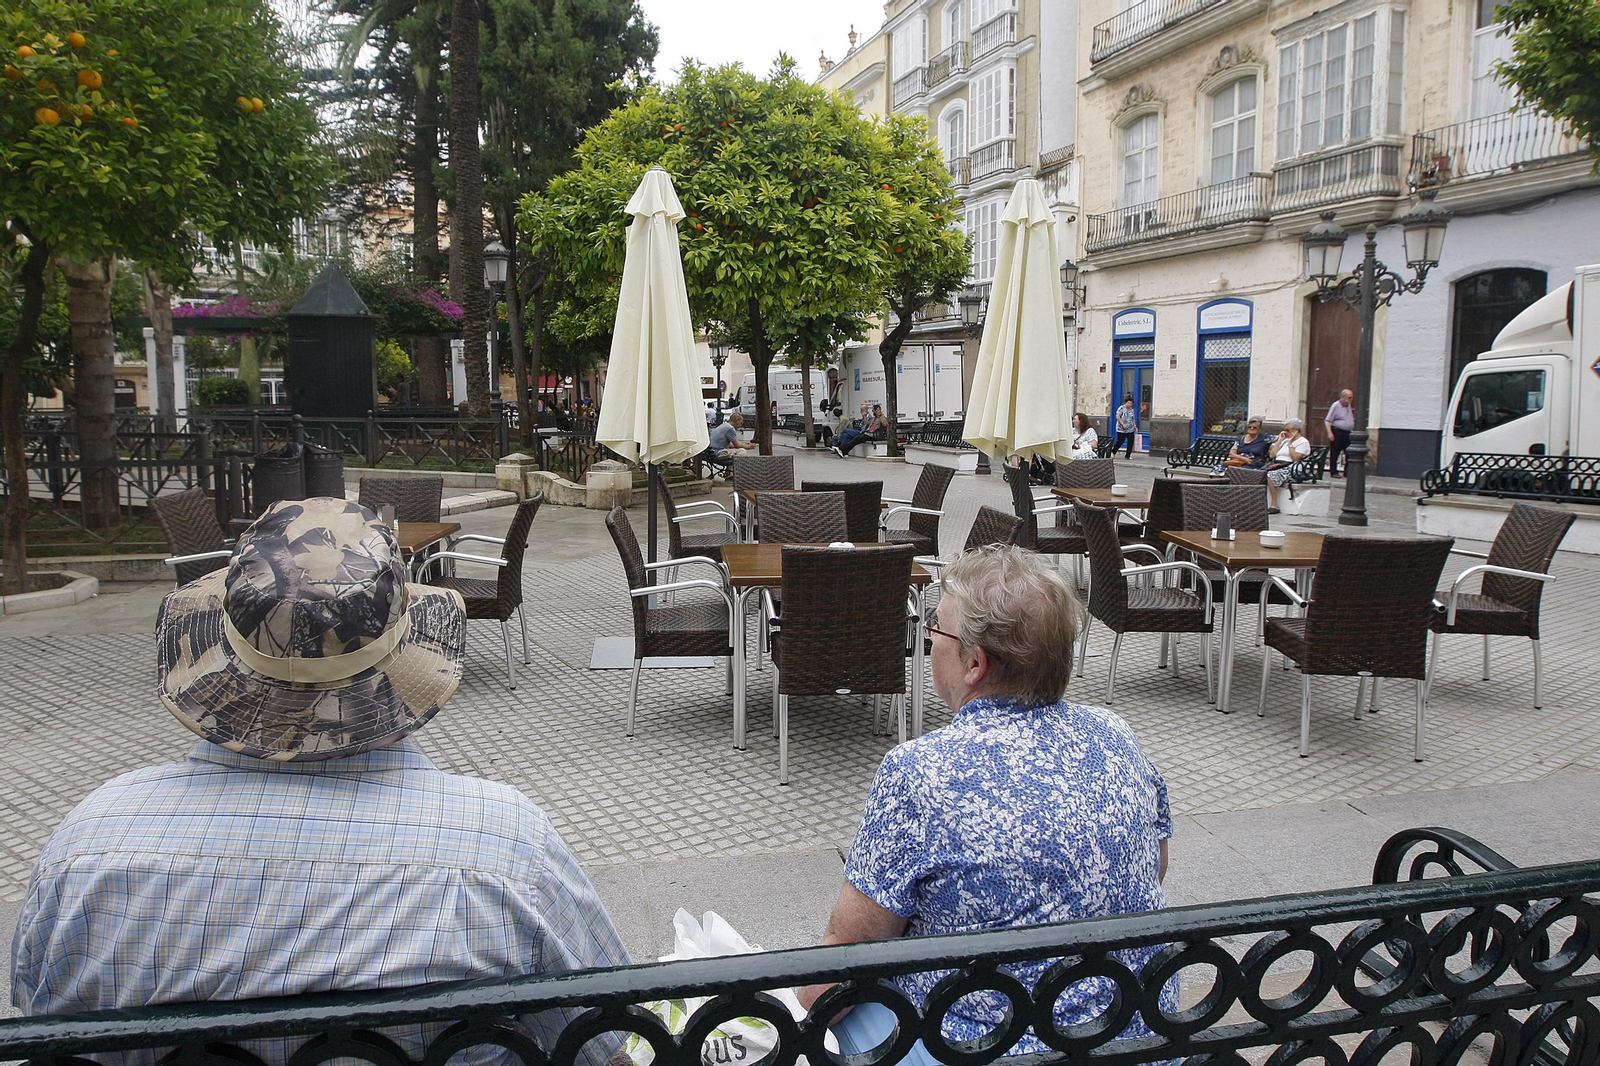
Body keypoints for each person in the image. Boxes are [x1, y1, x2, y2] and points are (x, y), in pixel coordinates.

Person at [10, 499, 631, 1066]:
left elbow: (43, 1027)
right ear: (405, 651)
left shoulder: (88, 852)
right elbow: (604, 1041)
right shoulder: (505, 852)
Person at [799, 545, 1174, 1063]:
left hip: (989, 1050)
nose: (929, 636)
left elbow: (846, 959)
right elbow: (1155, 868)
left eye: (938, 626)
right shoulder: (1117, 734)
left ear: (975, 663)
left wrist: (790, 1012)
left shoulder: (920, 772)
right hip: (1141, 1039)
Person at [1265, 417, 1312, 513]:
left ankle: (1274, 505)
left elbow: (1295, 458)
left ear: (1296, 431)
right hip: (1278, 464)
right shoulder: (1284, 441)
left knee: (1271, 475)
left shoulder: (1303, 442)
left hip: (1293, 468)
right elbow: (1272, 455)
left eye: (1287, 430)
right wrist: (1279, 441)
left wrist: (1290, 444)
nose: (1285, 432)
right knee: (1256, 474)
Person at [1324, 388, 1354, 477]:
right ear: (1343, 397)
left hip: (1347, 433)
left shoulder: (1348, 405)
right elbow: (1328, 420)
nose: (1351, 400)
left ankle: (1347, 472)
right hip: (1337, 431)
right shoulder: (1336, 405)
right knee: (1335, 452)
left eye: (1351, 398)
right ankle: (1333, 472)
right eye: (1349, 398)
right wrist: (1330, 433)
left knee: (1349, 452)